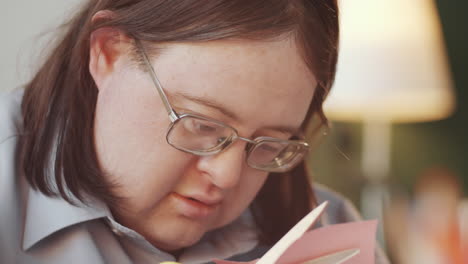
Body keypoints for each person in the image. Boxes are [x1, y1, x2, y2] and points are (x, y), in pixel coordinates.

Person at [0, 0, 389, 263]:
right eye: (202, 124)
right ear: (109, 53)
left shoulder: (332, 235)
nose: (227, 175)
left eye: (270, 144)